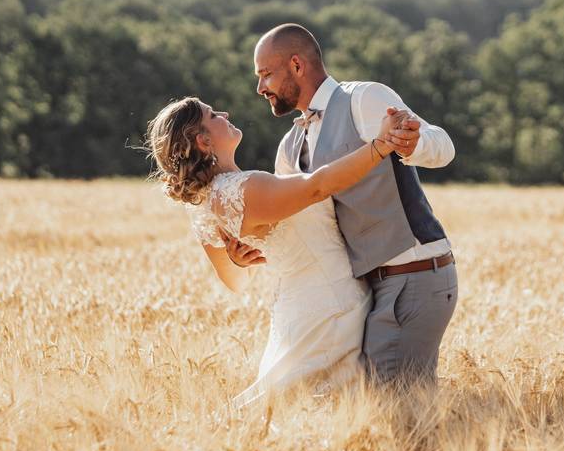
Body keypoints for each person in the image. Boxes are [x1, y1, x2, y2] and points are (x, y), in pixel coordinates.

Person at [222, 23, 458, 385]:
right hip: (362, 295)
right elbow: (294, 225)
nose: (260, 88)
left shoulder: (364, 98)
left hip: (413, 276)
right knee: (371, 404)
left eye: (266, 75)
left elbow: (441, 143)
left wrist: (413, 144)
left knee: (397, 407)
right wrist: (250, 248)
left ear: (297, 66)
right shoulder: (289, 146)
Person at [147, 95, 412, 406]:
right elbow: (317, 186)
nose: (225, 112)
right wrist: (380, 146)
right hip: (330, 309)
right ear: (203, 141)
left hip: (296, 313)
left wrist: (238, 260)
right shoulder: (243, 188)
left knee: (299, 409)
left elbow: (234, 282)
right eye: (213, 115)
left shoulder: (204, 203)